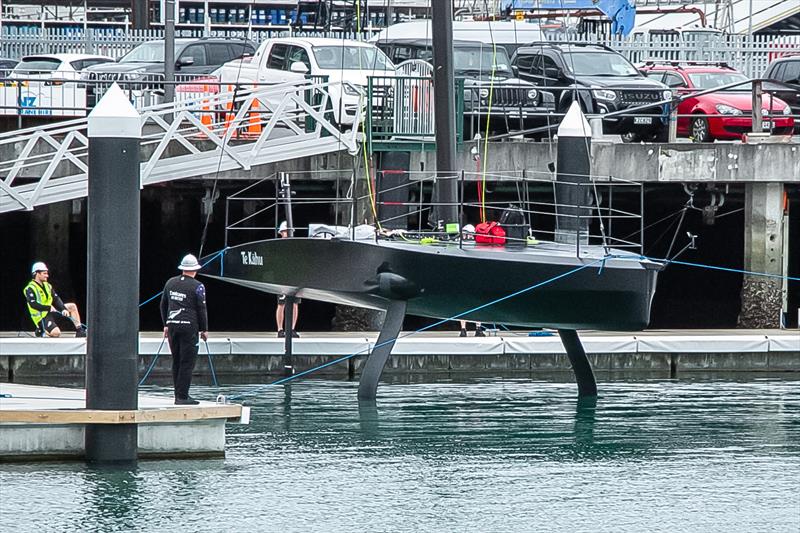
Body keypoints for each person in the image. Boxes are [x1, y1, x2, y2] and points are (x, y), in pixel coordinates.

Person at [160, 254, 208, 405]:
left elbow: (163, 305)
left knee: (177, 360)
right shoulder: (198, 286)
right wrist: (204, 329)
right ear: (195, 270)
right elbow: (202, 309)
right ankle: (183, 396)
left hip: (173, 326)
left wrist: (166, 324)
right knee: (187, 362)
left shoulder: (170, 282)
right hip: (189, 328)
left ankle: (177, 395)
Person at [23, 261, 86, 338]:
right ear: (37, 273)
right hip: (42, 317)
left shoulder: (48, 286)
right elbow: (33, 304)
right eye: (44, 273)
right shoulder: (30, 288)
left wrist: (63, 309)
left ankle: (79, 331)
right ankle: (41, 329)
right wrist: (48, 307)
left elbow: (56, 299)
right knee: (56, 333)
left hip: (51, 311)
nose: (47, 275)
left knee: (72, 306)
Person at [275, 221, 300, 338]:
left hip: (294, 278)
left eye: (289, 231)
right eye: (285, 231)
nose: (287, 233)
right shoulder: (278, 246)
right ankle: (280, 329)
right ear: (281, 233)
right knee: (281, 304)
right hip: (282, 278)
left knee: (295, 304)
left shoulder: (296, 246)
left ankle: (292, 328)